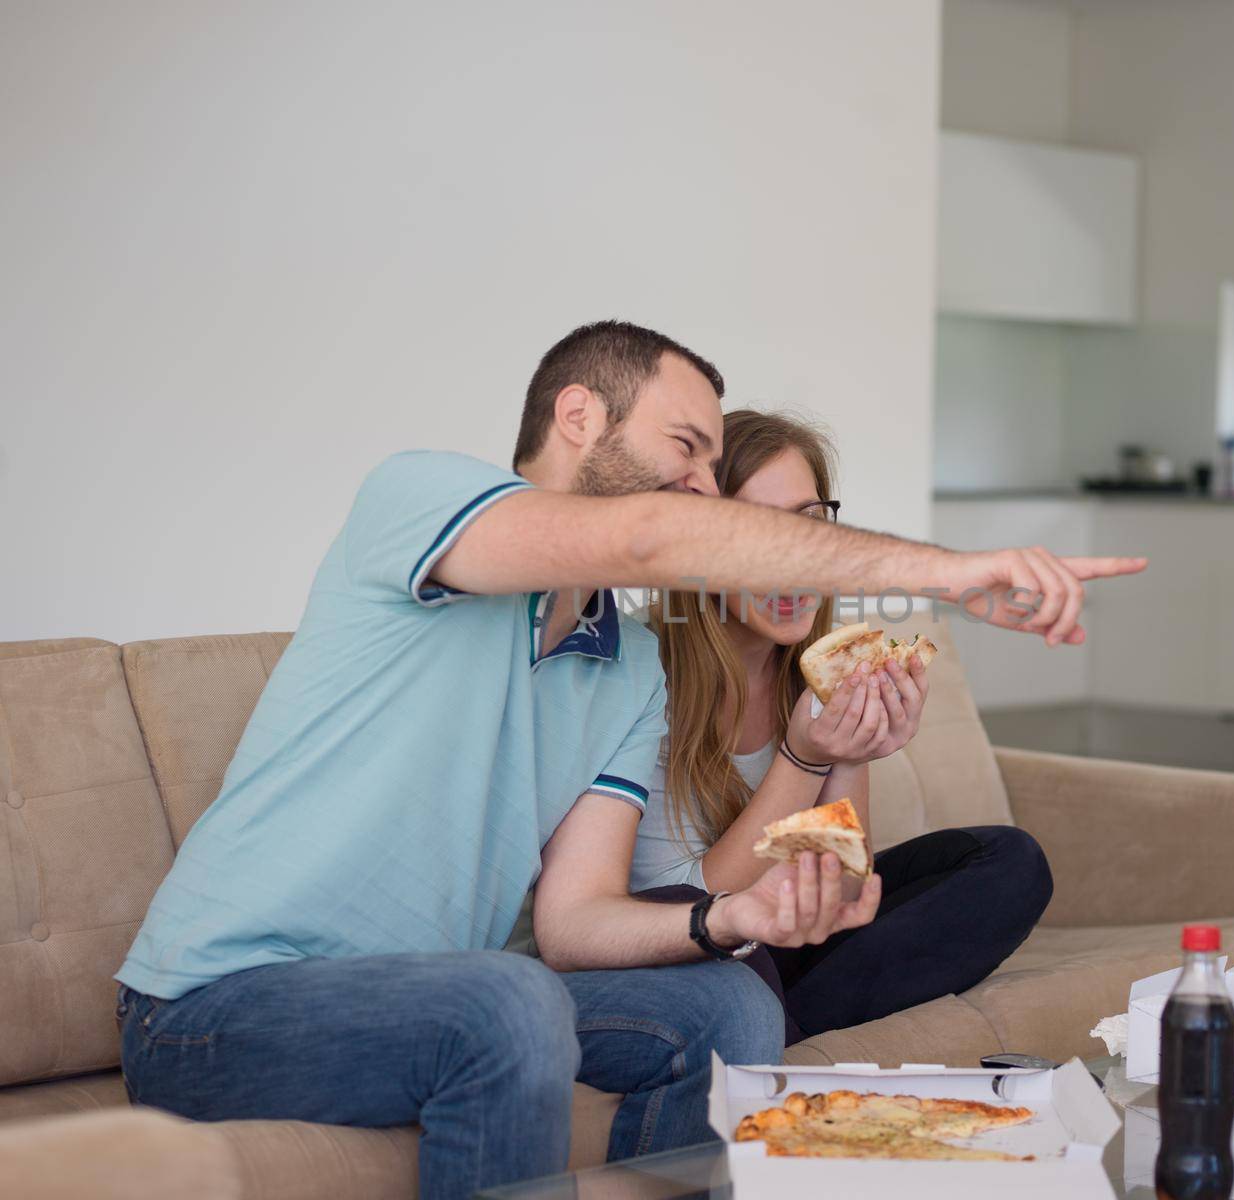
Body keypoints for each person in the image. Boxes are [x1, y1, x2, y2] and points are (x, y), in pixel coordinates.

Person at [115, 319, 1145, 1200]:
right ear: (578, 419)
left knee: (731, 1002)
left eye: (710, 474)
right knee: (499, 999)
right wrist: (951, 573)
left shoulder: (622, 668)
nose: (704, 491)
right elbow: (653, 539)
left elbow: (570, 922)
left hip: (441, 988)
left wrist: (731, 920)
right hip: (218, 1006)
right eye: (687, 452)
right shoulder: (417, 499)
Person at [633, 410, 1054, 1044]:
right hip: (690, 943)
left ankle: (789, 1024)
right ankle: (779, 1025)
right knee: (745, 964)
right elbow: (687, 909)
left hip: (790, 935)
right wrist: (802, 762)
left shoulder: (820, 666)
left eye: (808, 526)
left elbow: (843, 891)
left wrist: (854, 756)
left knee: (1011, 860)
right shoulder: (643, 676)